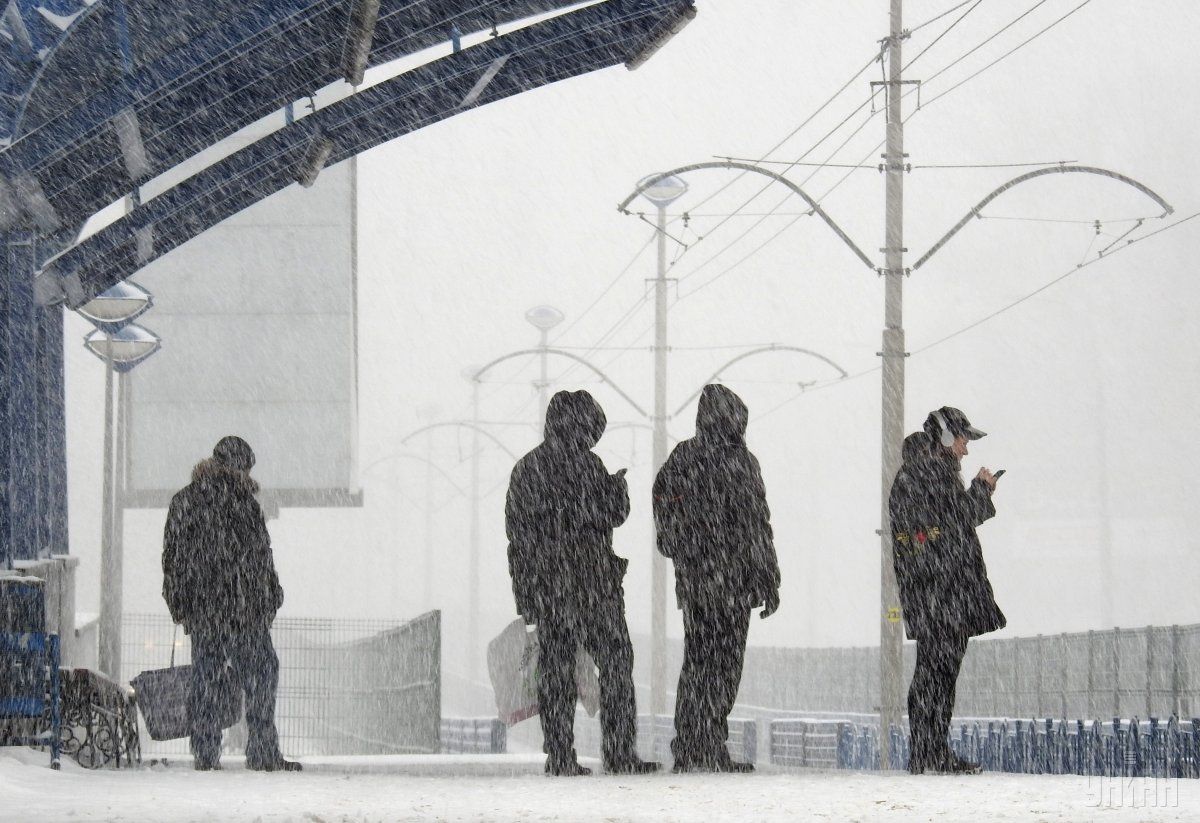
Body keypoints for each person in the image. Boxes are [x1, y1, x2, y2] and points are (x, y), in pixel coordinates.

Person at [505, 390, 658, 776]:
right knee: (616, 665)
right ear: (581, 425)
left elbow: (518, 540)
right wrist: (617, 491)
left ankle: (560, 756)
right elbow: (612, 514)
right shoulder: (589, 466)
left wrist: (527, 596)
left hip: (552, 590)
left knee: (556, 673)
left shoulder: (528, 469)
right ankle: (619, 753)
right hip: (595, 587)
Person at [653, 384, 780, 773]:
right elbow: (758, 525)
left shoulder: (686, 458)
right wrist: (767, 578)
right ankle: (704, 744)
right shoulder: (740, 463)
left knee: (703, 663)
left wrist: (682, 544)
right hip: (728, 583)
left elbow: (665, 510)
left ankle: (696, 745)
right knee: (720, 665)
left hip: (705, 583)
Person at [161, 435, 300, 772]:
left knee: (207, 679)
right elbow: (261, 557)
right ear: (239, 466)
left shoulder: (186, 501)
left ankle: (206, 753)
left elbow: (172, 559)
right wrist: (271, 595)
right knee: (262, 674)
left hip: (207, 610)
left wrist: (180, 604)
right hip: (244, 609)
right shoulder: (243, 504)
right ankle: (262, 751)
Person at [889, 407, 1004, 775]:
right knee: (935, 675)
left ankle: (931, 752)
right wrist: (981, 490)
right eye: (962, 440)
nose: (965, 449)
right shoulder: (926, 474)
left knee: (939, 674)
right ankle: (929, 753)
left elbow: (949, 523)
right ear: (943, 436)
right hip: (940, 592)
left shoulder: (927, 472)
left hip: (940, 591)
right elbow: (953, 522)